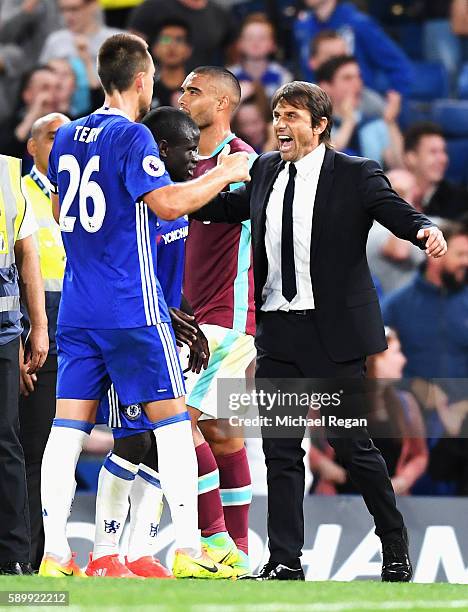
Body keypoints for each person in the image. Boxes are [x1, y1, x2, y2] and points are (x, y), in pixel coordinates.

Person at [192, 80, 446, 581]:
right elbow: (223, 210)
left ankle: (394, 546)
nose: (280, 125)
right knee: (281, 450)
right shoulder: (264, 169)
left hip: (332, 336)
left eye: (291, 116)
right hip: (280, 334)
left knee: (352, 445)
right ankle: (285, 560)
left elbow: (394, 211)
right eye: (276, 115)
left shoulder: (355, 174)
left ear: (320, 125)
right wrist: (181, 193)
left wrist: (423, 228)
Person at [38, 32, 250, 579]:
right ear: (140, 80)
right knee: (174, 427)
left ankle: (55, 556)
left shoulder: (65, 137)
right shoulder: (133, 138)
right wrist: (225, 173)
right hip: (131, 304)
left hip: (78, 304)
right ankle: (187, 551)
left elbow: (65, 210)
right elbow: (169, 201)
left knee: (66, 431)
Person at [88, 106, 212, 579]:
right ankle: (104, 551)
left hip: (162, 326)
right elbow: (126, 272)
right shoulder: (137, 206)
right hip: (131, 327)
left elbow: (166, 274)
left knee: (164, 441)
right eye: (188, 151)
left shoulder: (175, 200)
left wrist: (185, 321)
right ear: (158, 152)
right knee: (136, 438)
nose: (196, 160)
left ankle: (140, 551)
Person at [179, 66, 257, 576]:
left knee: (175, 421)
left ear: (223, 103)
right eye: (181, 90)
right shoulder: (181, 161)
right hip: (191, 315)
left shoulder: (243, 162)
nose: (182, 97)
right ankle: (242, 550)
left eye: (194, 91)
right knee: (224, 436)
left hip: (224, 318)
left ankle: (215, 543)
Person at [18, 112, 70, 572]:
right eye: (54, 137)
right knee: (37, 446)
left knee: (141, 440)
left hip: (95, 320)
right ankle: (33, 562)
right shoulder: (15, 192)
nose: (62, 143)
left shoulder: (93, 186)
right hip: (40, 327)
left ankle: (125, 553)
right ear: (31, 147)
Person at [0, 152, 49, 575]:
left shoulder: (5, 174)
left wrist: (35, 327)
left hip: (2, 332)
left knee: (7, 441)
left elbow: (26, 254)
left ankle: (16, 558)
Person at [309, 328, 428, 496]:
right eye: (396, 353)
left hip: (390, 500)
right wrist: (323, 465)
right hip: (340, 500)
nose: (403, 360)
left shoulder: (405, 403)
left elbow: (419, 455)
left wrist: (404, 480)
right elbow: (299, 440)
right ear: (375, 360)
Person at [293, 0, 412, 99]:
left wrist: (395, 96)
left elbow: (398, 65)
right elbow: (305, 70)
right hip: (318, 102)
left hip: (358, 104)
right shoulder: (302, 27)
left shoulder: (359, 24)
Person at [316, 55, 404, 169]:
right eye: (347, 78)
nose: (356, 83)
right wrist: (349, 121)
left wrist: (391, 123)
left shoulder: (374, 124)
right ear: (325, 87)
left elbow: (399, 165)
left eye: (359, 77)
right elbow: (322, 158)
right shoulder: (314, 124)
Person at [128, 0, 237, 71]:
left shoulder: (220, 14)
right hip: (155, 88)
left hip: (201, 88)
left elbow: (232, 55)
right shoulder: (151, 7)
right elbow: (131, 51)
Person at [367, 168, 425, 295]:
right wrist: (402, 200)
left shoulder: (424, 223)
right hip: (392, 308)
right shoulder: (376, 228)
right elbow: (400, 252)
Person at [308, 29, 388, 119]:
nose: (341, 63)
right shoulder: (302, 106)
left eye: (343, 56)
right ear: (313, 63)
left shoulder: (368, 101)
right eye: (332, 58)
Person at [39, 0, 121, 85]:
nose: (68, 16)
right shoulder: (55, 41)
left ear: (93, 5)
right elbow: (41, 80)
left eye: (74, 9)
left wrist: (87, 61)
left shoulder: (117, 40)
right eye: (63, 10)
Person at [404, 122, 468, 221]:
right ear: (411, 158)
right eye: (433, 152)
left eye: (444, 151)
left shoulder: (460, 200)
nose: (443, 159)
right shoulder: (393, 195)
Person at [0, 66, 60, 163]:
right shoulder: (9, 125)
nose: (53, 94)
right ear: (27, 94)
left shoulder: (72, 125)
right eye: (45, 88)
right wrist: (31, 117)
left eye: (57, 88)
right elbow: (4, 159)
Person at [228, 13, 292, 102]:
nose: (255, 43)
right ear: (239, 43)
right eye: (249, 38)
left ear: (273, 44)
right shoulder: (229, 77)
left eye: (262, 38)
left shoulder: (282, 76)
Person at [150, 19, 192, 109]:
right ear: (155, 48)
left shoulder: (198, 90)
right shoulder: (145, 89)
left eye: (179, 40)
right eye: (165, 39)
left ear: (188, 49)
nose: (172, 46)